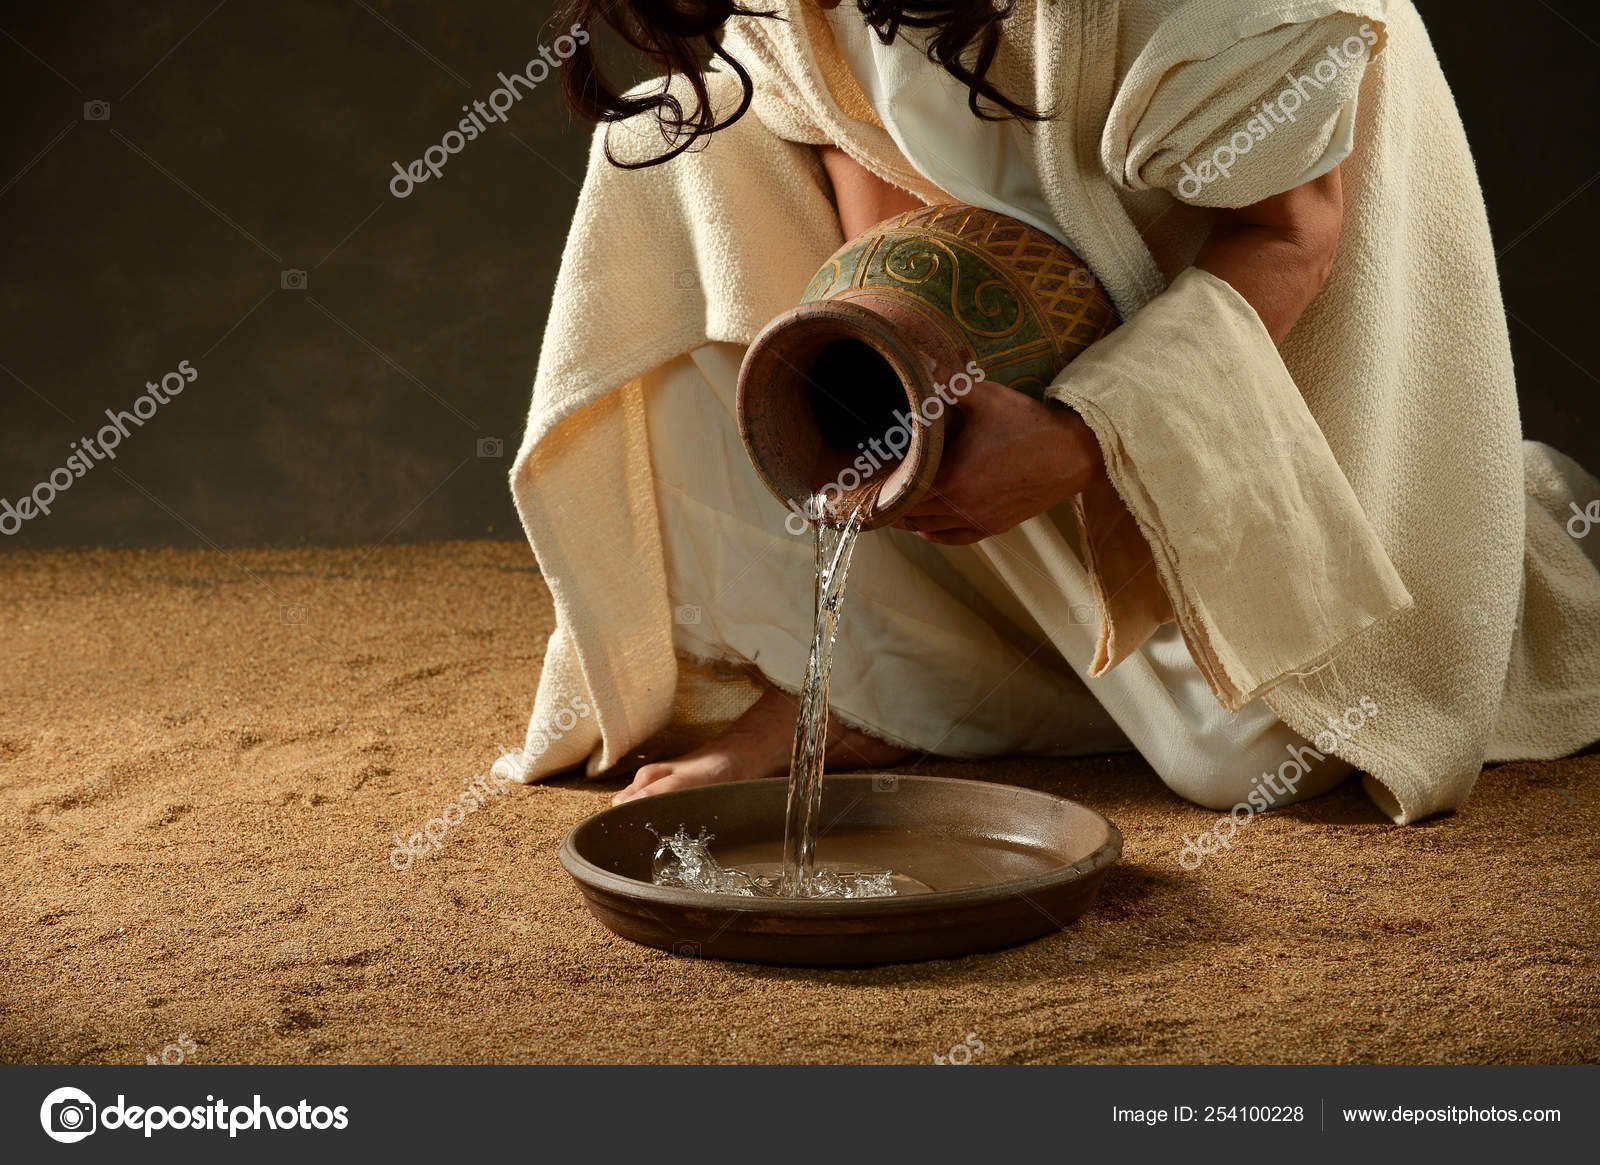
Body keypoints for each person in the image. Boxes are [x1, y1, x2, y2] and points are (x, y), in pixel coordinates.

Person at [503, 0, 1600, 823]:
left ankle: (1483, 520)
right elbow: (847, 125)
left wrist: (1089, 436)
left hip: (1258, 323)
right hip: (1020, 312)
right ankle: (877, 673)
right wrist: (904, 376)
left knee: (1245, 755)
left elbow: (1295, 231)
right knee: (675, 139)